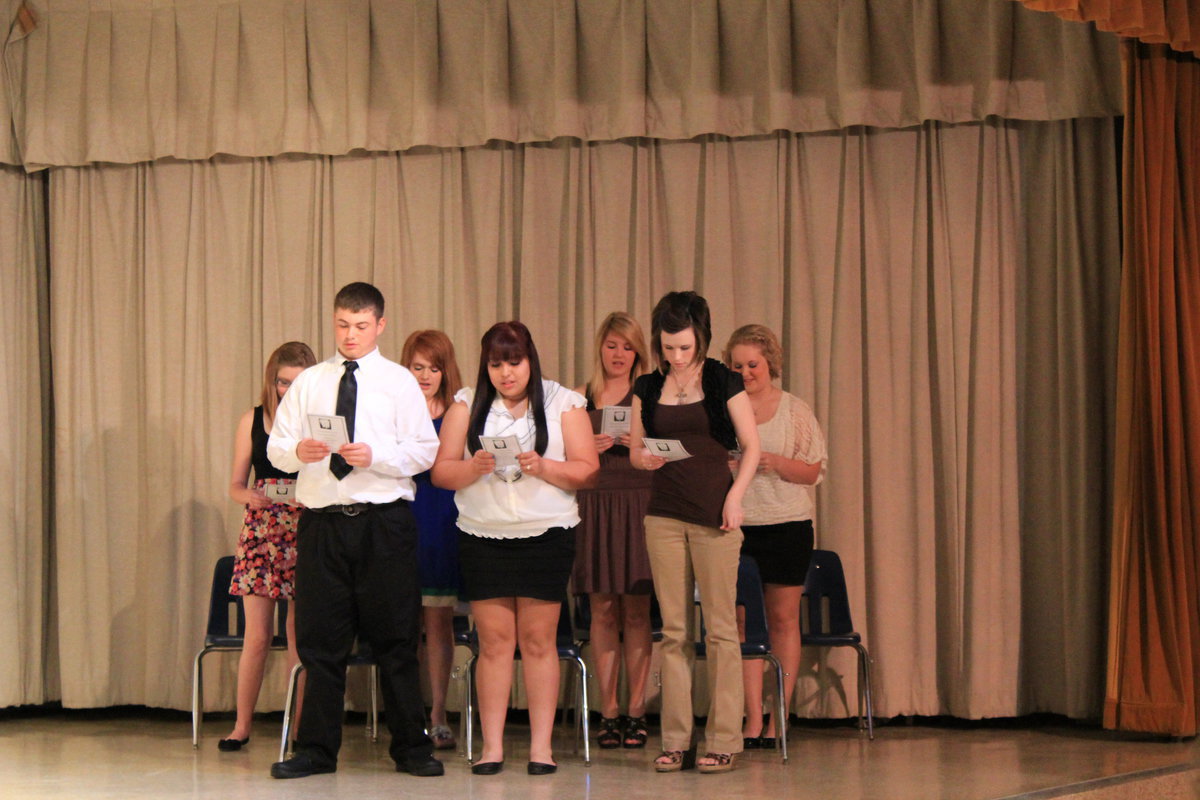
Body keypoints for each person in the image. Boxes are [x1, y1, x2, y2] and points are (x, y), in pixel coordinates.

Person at [266, 282, 443, 779]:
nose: (350, 335)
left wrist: (377, 457)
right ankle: (316, 750)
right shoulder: (310, 382)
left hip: (382, 524)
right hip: (322, 524)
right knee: (321, 643)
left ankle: (411, 747)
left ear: (380, 326)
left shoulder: (399, 382)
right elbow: (277, 447)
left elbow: (424, 451)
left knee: (395, 640)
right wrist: (296, 453)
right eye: (343, 324)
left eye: (361, 326)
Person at [432, 321, 598, 776]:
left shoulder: (564, 402)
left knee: (540, 641)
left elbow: (588, 469)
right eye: (496, 363)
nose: (506, 373)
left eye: (514, 362)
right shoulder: (466, 404)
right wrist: (473, 468)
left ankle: (542, 748)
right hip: (483, 535)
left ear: (531, 361)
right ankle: (492, 747)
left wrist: (545, 466)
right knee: (495, 643)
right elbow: (441, 473)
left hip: (546, 534)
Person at [629, 291, 760, 774]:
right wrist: (646, 457)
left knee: (722, 629)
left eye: (684, 347)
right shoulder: (647, 386)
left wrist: (735, 496)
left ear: (702, 338)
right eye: (668, 347)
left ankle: (724, 738)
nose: (676, 356)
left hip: (715, 513)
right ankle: (677, 740)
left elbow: (750, 445)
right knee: (676, 632)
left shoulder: (724, 380)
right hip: (663, 513)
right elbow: (638, 451)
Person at [723, 324, 827, 749]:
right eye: (737, 365)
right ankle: (751, 717)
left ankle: (779, 715)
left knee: (783, 620)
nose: (746, 372)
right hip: (738, 526)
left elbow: (814, 471)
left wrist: (775, 461)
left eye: (753, 364)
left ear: (770, 365)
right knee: (743, 622)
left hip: (787, 526)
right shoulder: (723, 409)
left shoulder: (794, 409)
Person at [220, 341, 317, 751]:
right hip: (262, 528)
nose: (287, 390)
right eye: (281, 382)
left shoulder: (318, 422)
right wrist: (250, 497)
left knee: (300, 638)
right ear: (271, 380)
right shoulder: (253, 419)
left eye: (296, 383)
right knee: (256, 636)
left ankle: (298, 729)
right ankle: (241, 726)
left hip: (305, 526)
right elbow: (235, 486)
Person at [571, 312, 655, 749]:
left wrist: (636, 445)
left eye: (627, 346)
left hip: (640, 500)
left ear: (637, 351)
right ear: (600, 347)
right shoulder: (581, 395)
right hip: (596, 501)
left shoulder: (652, 392)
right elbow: (560, 450)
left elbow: (671, 451)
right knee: (602, 608)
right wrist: (589, 445)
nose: (619, 354)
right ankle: (609, 711)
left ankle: (638, 712)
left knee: (637, 610)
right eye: (612, 345)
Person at [401, 329, 464, 752]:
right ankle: (406, 717)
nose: (425, 375)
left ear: (446, 371)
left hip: (442, 517)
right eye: (417, 367)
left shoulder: (458, 411)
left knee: (439, 622)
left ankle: (439, 714)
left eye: (434, 368)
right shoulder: (393, 408)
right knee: (402, 625)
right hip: (400, 519)